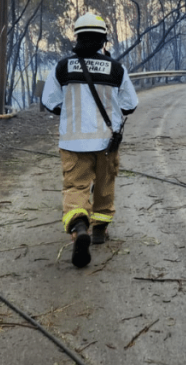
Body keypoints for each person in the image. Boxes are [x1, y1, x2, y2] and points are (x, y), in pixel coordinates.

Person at [41, 13, 138, 268]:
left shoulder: (62, 67)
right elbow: (131, 104)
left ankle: (79, 226)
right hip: (107, 142)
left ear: (77, 36)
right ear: (103, 39)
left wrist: (70, 112)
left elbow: (49, 102)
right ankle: (99, 231)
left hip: (73, 143)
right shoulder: (116, 69)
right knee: (105, 184)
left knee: (75, 187)